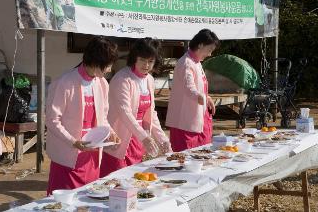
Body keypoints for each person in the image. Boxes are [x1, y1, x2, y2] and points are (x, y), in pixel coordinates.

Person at [46, 36, 120, 195]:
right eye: (107, 66)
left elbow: (103, 118)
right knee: (63, 201)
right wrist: (73, 141)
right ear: (95, 62)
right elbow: (52, 120)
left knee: (89, 198)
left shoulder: (102, 84)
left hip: (91, 155)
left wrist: (111, 133)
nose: (109, 70)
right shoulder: (64, 83)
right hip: (67, 155)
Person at [100, 38, 171, 177]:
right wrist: (145, 137)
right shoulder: (123, 79)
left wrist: (163, 139)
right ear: (134, 58)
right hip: (121, 137)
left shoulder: (149, 79)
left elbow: (151, 113)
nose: (146, 65)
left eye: (151, 61)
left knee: (135, 180)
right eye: (143, 60)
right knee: (116, 181)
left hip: (138, 139)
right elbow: (124, 112)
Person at [166, 29, 220, 151]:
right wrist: (201, 97)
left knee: (202, 155)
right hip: (186, 121)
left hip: (199, 117)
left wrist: (207, 97)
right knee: (186, 158)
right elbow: (189, 88)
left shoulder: (196, 62)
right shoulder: (186, 63)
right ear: (200, 45)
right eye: (210, 50)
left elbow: (200, 87)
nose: (210, 54)